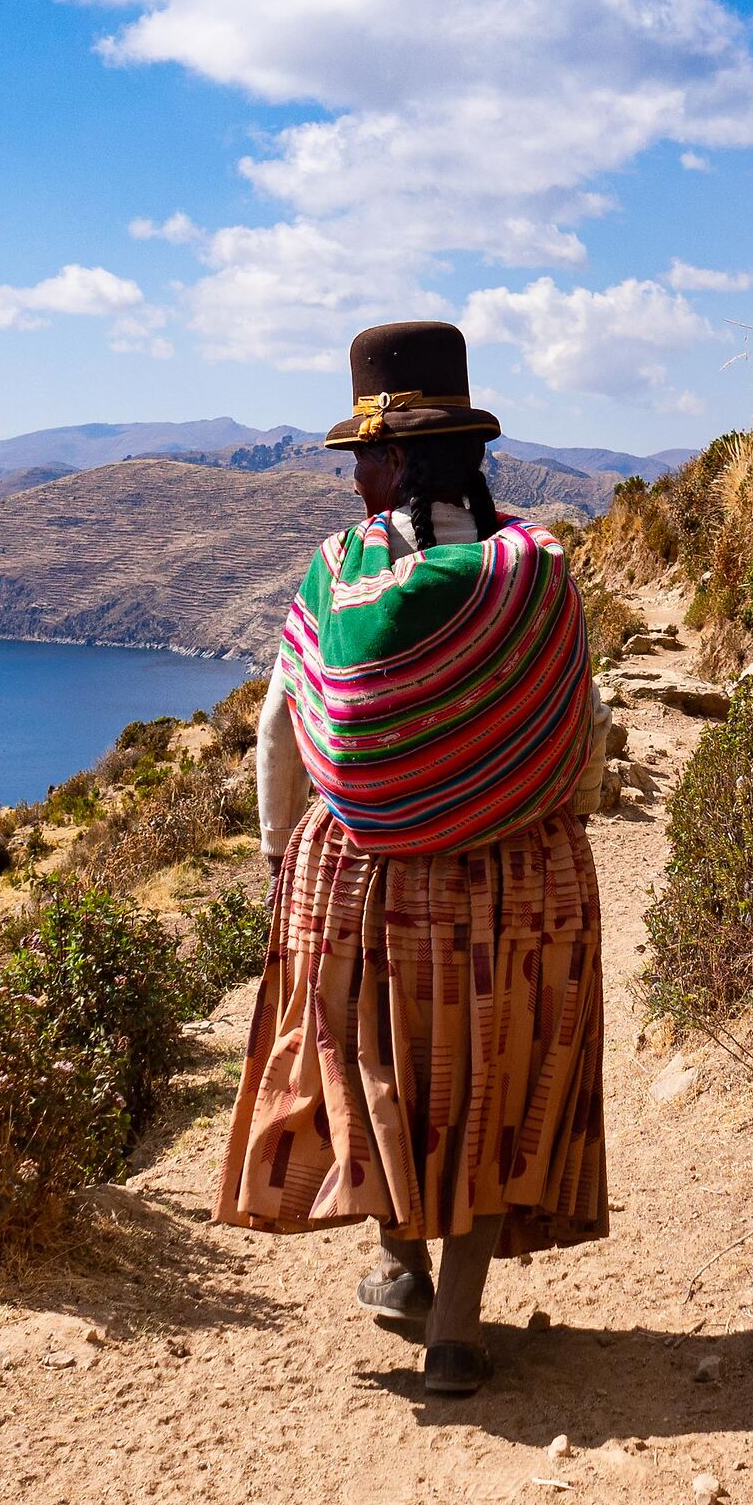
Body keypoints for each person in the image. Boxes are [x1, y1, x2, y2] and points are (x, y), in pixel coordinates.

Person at [215, 320, 611, 1399]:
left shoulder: (339, 576)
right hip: (518, 880)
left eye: (362, 461)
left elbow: (281, 730)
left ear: (388, 465)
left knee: (377, 1070)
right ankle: (456, 1327)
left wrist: (274, 853)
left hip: (361, 882)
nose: (355, 485)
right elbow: (583, 726)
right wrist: (543, 811)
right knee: (492, 1080)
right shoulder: (534, 572)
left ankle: (397, 1255)